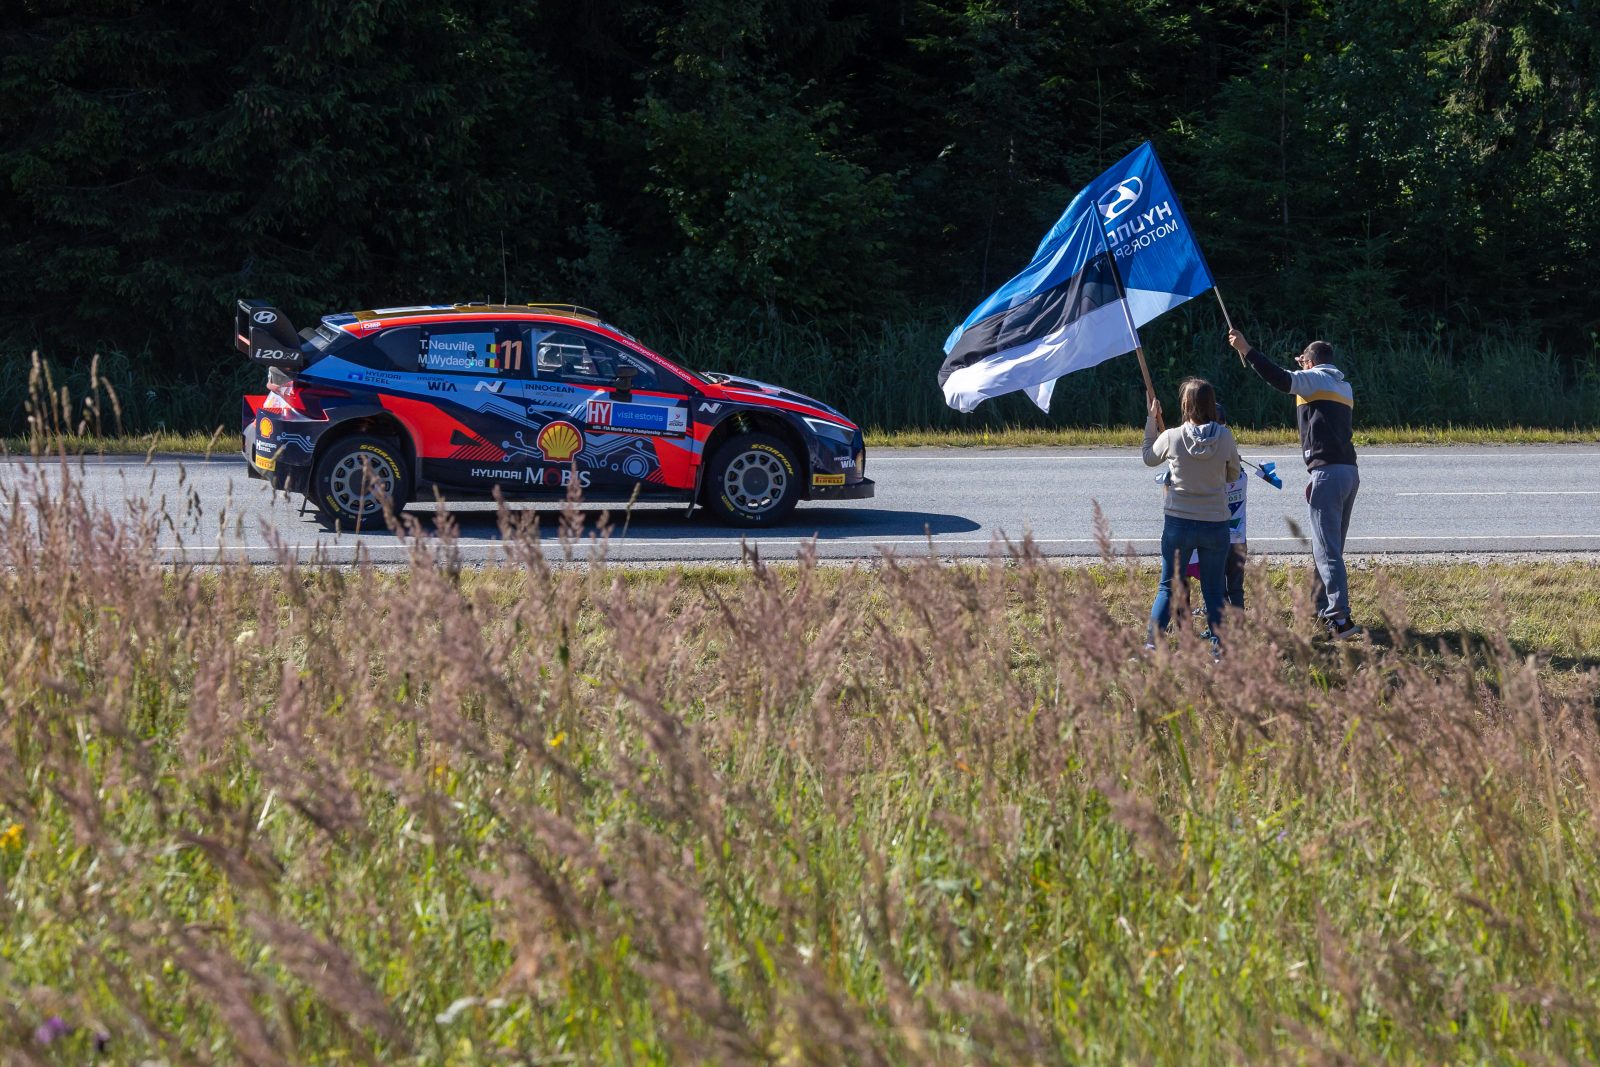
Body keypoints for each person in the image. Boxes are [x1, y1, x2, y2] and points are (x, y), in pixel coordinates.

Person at [1229, 329, 1360, 639]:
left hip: (1327, 472)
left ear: (1310, 362)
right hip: (1347, 471)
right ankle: (1320, 608)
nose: (1300, 366)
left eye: (1302, 361)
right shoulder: (1343, 385)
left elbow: (1279, 378)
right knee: (1329, 546)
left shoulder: (1316, 379)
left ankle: (1340, 619)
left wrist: (1246, 350)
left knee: (1326, 550)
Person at [1142, 378, 1241, 650]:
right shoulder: (1225, 437)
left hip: (1179, 521)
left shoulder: (1172, 436)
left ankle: (1152, 644)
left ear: (1185, 404)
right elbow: (1233, 474)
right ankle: (1220, 648)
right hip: (1215, 521)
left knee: (1168, 586)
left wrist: (1152, 420)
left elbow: (1149, 457)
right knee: (1214, 589)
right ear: (1211, 404)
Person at [1179, 402, 1248, 612]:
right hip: (1238, 537)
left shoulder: (1212, 471)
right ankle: (1238, 620)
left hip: (1218, 534)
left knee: (1215, 584)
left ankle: (1217, 622)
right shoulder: (1238, 468)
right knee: (1235, 585)